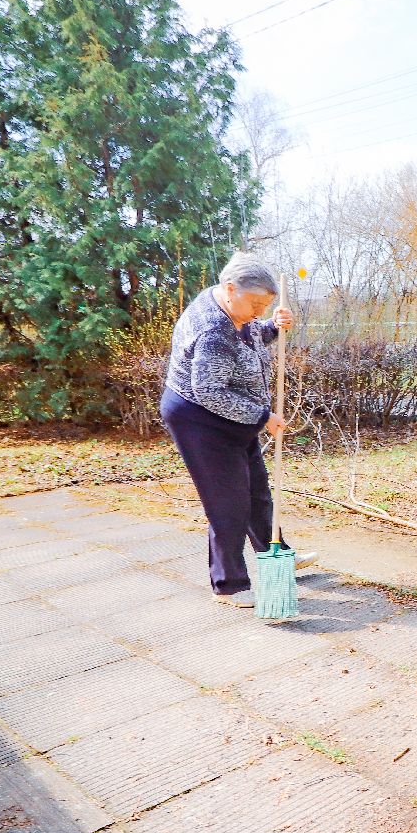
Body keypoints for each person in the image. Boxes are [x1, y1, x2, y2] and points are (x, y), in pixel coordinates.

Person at [160, 252, 318, 607]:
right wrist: (262, 417)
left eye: (266, 304)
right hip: (200, 420)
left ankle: (277, 557)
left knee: (258, 493)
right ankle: (229, 584)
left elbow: (250, 338)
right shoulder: (211, 330)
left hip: (234, 415)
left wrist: (274, 328)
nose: (259, 311)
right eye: (257, 304)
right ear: (231, 289)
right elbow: (210, 391)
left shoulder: (234, 309)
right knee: (227, 502)